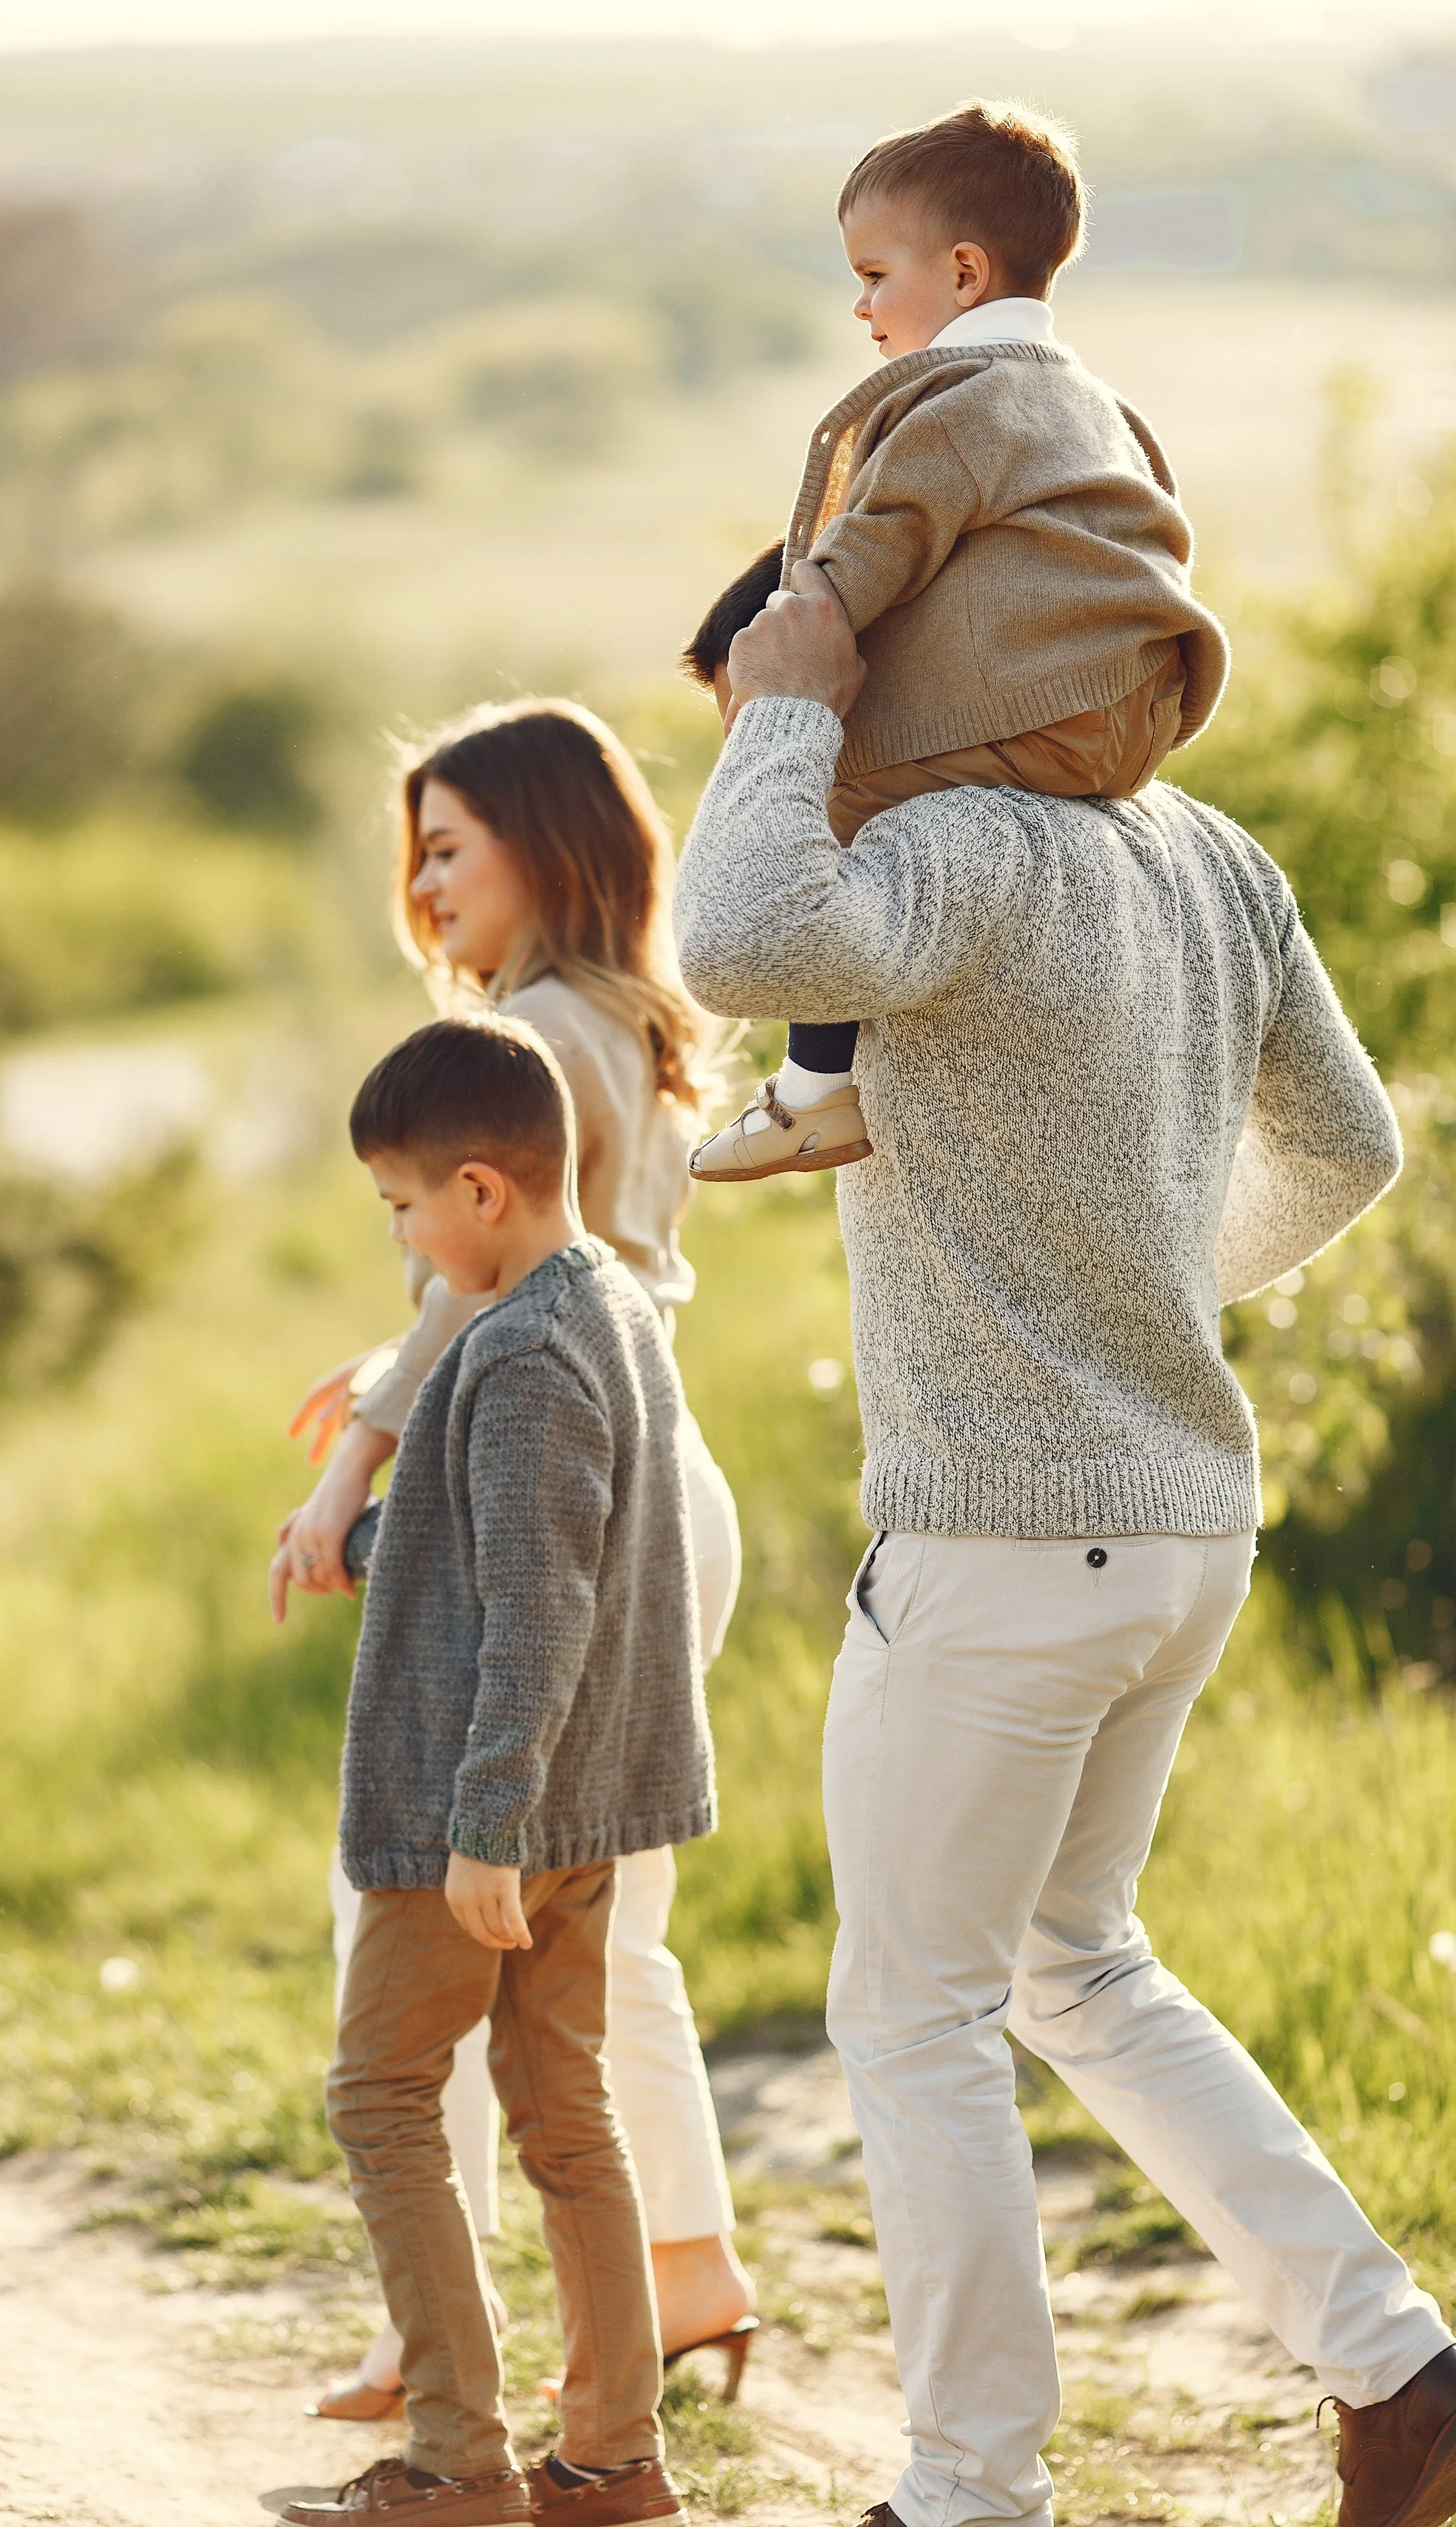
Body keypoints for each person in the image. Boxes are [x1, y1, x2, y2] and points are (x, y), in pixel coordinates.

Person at [669, 557, 1456, 2527]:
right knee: (1072, 1966)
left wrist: (782, 702)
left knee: (911, 2007)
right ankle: (1400, 2366)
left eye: (771, 728)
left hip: (1003, 1539)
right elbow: (1350, 1146)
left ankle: (968, 2490)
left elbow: (735, 930)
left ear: (874, 680)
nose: (772, 771)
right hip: (1178, 1517)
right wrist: (1140, 1298)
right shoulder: (1201, 850)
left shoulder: (946, 849)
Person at [279, 698, 756, 2418]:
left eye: (447, 843)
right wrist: (396, 1364)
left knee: (429, 1892)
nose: (421, 881)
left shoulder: (537, 1031)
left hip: (549, 1491)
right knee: (596, 1922)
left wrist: (347, 1472)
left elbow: (473, 1295)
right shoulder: (621, 1018)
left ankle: (442, 2338)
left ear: (547, 844)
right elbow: (493, 1287)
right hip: (649, 1472)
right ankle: (682, 2277)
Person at [270, 1013, 705, 2527]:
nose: (398, 1235)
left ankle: (457, 2463)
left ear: (477, 1189)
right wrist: (373, 1547)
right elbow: (514, 1554)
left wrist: (481, 1829)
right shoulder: (611, 1306)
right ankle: (612, 2459)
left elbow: (537, 1614)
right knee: (562, 2108)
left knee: (382, 2094)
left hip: (479, 1810)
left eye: (399, 1206)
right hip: (578, 1797)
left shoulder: (518, 1351)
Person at [685, 99, 1230, 1189]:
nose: (861, 305)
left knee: (818, 800)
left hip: (1033, 716)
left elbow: (883, 535)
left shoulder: (956, 401)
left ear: (967, 274)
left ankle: (812, 1093)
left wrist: (791, 647)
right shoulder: (1096, 405)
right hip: (1129, 725)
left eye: (877, 275)